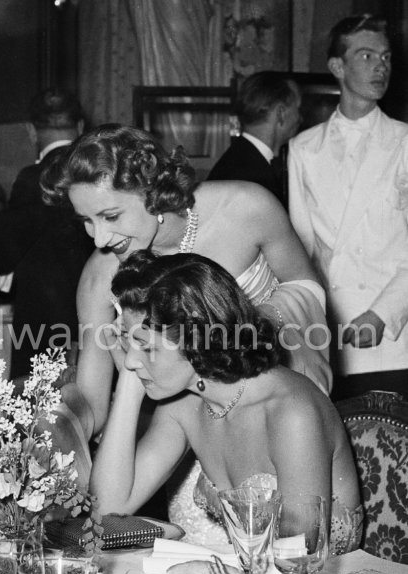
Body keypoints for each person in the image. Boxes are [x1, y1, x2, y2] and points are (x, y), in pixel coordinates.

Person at [41, 123, 332, 443]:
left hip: (280, 413)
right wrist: (48, 427)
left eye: (110, 216)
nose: (100, 238)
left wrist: (256, 321)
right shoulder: (98, 277)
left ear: (150, 190)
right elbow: (93, 407)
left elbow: (307, 286)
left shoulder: (245, 206)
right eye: (86, 220)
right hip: (186, 438)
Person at [90, 250, 362, 556]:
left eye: (147, 347)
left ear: (196, 341)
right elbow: (109, 509)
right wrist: (130, 381)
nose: (130, 359)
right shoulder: (184, 405)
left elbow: (298, 556)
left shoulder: (291, 412)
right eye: (128, 342)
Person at [288, 14, 408, 401]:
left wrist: (383, 314)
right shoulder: (303, 148)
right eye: (367, 56)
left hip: (393, 338)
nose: (381, 67)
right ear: (337, 67)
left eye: (385, 57)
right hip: (329, 340)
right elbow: (298, 253)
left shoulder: (404, 142)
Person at [0, 88, 93, 379]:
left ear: (31, 131)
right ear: (80, 127)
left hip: (43, 326)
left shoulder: (33, 178)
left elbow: (0, 256)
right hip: (99, 320)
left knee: (39, 412)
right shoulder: (98, 172)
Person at [207, 71, 301, 208]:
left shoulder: (242, 159)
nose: (300, 118)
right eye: (297, 108)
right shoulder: (252, 178)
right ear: (281, 114)